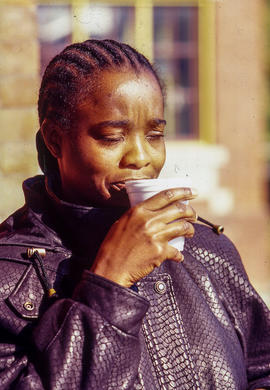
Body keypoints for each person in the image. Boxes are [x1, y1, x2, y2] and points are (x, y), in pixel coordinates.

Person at [0, 39, 269, 390]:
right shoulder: (9, 277)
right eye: (112, 137)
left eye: (155, 134)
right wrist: (110, 282)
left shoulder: (208, 250)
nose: (141, 157)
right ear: (54, 139)